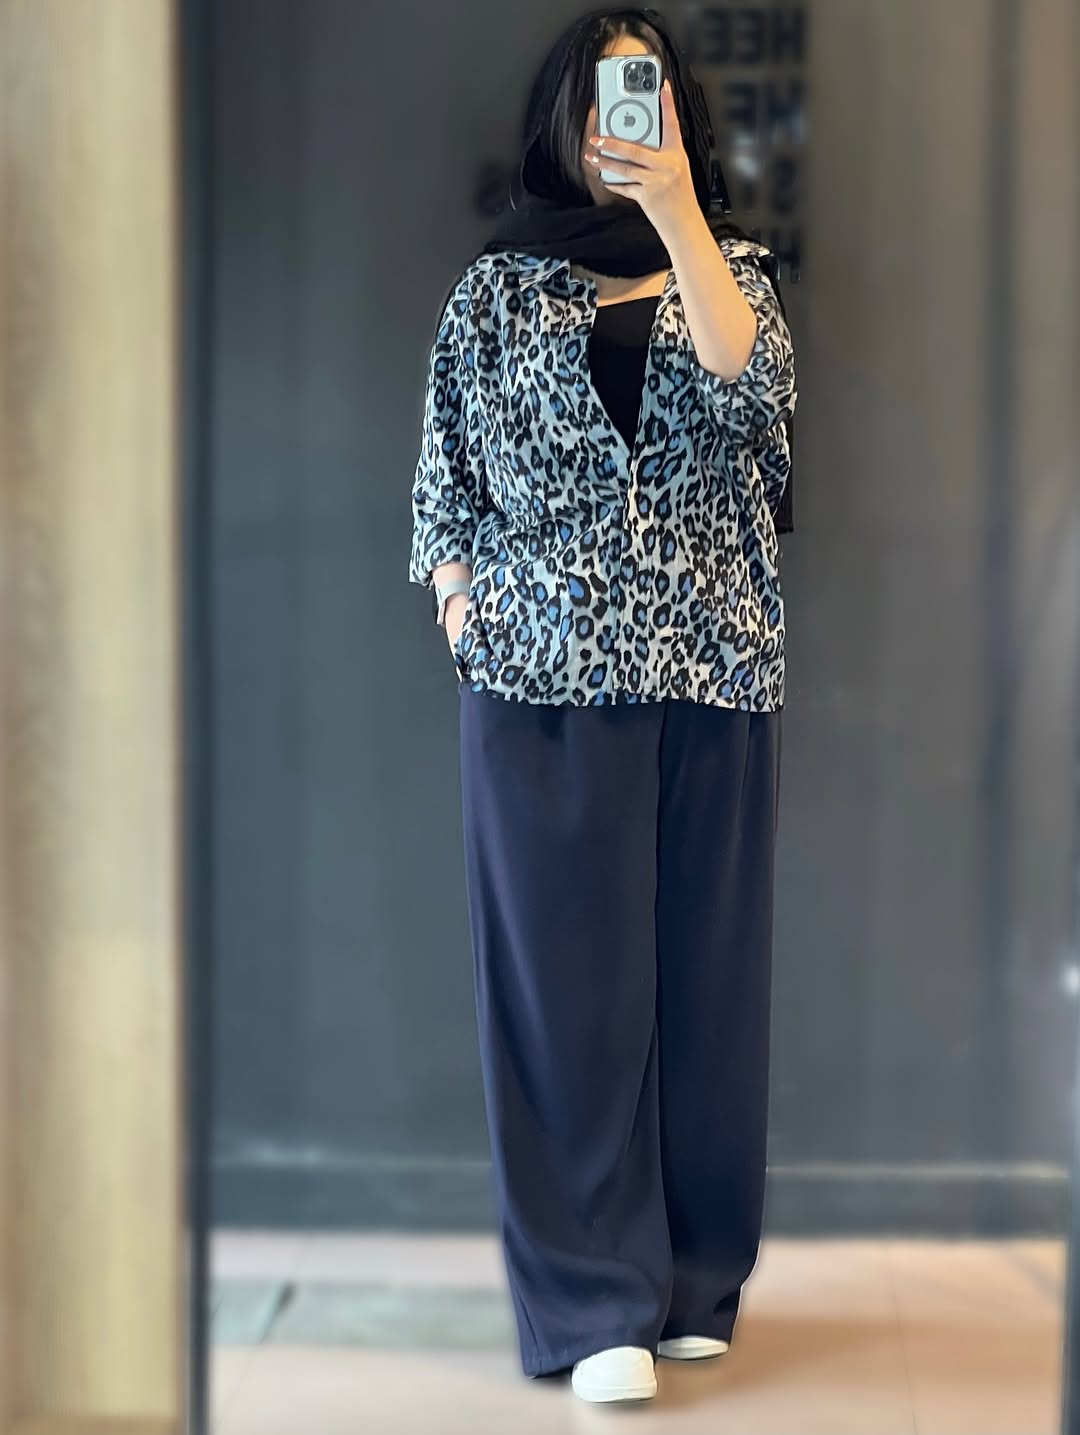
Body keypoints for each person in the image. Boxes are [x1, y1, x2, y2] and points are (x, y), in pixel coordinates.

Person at [409, 6, 796, 1406]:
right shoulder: (493, 295)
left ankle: (695, 1276)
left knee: (706, 989)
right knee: (565, 1000)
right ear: (561, 118)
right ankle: (589, 1300)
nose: (616, 119)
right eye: (598, 95)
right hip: (541, 679)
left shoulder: (734, 277)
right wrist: (465, 599)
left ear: (676, 108)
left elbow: (751, 392)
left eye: (644, 90)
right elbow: (444, 480)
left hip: (712, 665)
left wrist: (682, 213)